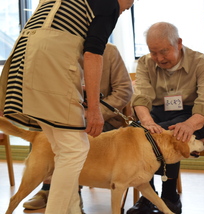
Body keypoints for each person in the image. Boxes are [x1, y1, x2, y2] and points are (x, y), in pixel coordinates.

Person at [0, 1, 134, 214]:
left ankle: (71, 209)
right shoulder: (110, 4)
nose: (123, 11)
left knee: (63, 149)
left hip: (22, 57)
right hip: (48, 58)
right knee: (75, 149)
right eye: (127, 8)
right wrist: (94, 109)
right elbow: (92, 54)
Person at [22, 43, 133, 211]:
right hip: (66, 116)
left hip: (103, 119)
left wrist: (96, 112)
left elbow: (124, 90)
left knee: (75, 140)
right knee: (43, 134)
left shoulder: (109, 51)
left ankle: (69, 194)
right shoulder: (59, 49)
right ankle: (48, 187)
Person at [127, 22, 204, 214]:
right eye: (153, 52)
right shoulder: (145, 63)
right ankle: (148, 197)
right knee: (139, 133)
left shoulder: (201, 62)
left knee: (172, 133)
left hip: (195, 115)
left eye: (164, 51)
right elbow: (141, 98)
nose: (159, 58)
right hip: (159, 113)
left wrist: (189, 125)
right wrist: (147, 123)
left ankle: (170, 197)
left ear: (178, 43)